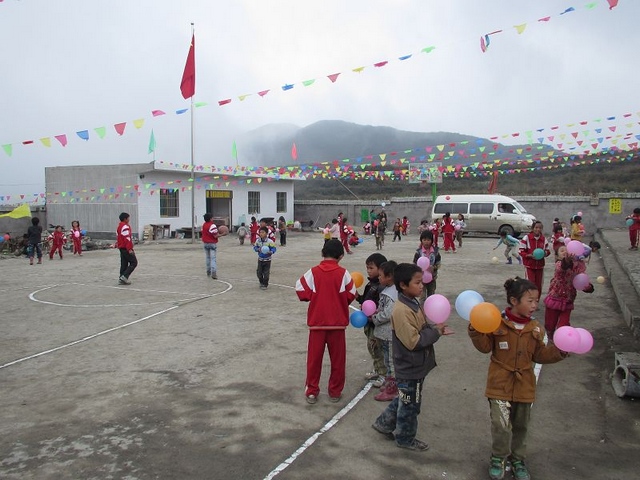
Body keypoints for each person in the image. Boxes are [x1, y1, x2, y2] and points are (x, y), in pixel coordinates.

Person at [468, 277, 567, 480]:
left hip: (524, 387)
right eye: (529, 301)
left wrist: (559, 352)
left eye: (536, 301)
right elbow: (484, 347)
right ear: (514, 301)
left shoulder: (536, 328)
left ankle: (518, 459)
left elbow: (540, 355)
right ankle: (498, 457)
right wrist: (476, 330)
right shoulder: (496, 322)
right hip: (499, 384)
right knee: (500, 424)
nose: (534, 305)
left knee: (521, 426)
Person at [371, 263, 449, 451]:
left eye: (422, 282)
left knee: (406, 397)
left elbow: (420, 328)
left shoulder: (413, 303)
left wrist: (433, 329)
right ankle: (405, 438)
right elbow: (413, 341)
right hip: (409, 366)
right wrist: (435, 333)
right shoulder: (402, 310)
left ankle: (384, 423)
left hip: (416, 364)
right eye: (417, 282)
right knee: (411, 405)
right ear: (403, 285)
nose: (422, 286)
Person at [295, 239, 356, 404]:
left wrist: (313, 297)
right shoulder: (343, 273)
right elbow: (351, 293)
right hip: (337, 324)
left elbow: (300, 289)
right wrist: (340, 301)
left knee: (314, 360)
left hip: (317, 323)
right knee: (338, 360)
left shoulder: (313, 272)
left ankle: (312, 391)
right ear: (341, 256)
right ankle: (335, 391)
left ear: (322, 253)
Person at [544, 245, 594, 337]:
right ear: (557, 256)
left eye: (566, 250)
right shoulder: (559, 264)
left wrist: (588, 287)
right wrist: (567, 260)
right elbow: (562, 267)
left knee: (564, 325)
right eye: (562, 251)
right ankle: (549, 338)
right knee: (550, 325)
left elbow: (581, 280)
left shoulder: (577, 267)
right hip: (555, 299)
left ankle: (562, 342)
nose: (565, 252)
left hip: (568, 301)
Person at [358, 253, 388, 387]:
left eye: (371, 268)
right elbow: (365, 302)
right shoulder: (370, 284)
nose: (368, 271)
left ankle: (383, 375)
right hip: (369, 323)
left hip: (376, 324)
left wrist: (373, 315)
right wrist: (357, 297)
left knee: (377, 349)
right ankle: (378, 370)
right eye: (367, 268)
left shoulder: (382, 287)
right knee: (372, 347)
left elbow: (381, 306)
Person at [371, 260, 399, 402]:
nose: (379, 278)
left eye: (381, 275)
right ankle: (389, 384)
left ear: (389, 277)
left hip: (389, 334)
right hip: (385, 334)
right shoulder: (389, 291)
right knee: (388, 361)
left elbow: (388, 313)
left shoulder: (392, 294)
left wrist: (375, 317)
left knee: (390, 362)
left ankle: (392, 389)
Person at [520, 221, 550, 301]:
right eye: (536, 227)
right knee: (530, 284)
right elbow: (521, 251)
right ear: (532, 228)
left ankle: (536, 301)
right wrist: (528, 255)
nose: (538, 229)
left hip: (540, 266)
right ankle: (529, 301)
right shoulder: (526, 238)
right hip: (529, 266)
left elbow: (548, 251)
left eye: (540, 228)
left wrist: (544, 253)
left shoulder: (543, 239)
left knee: (538, 285)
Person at [412, 230, 441, 302]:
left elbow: (438, 263)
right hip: (421, 278)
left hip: (432, 278)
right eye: (424, 240)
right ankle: (422, 309)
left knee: (431, 296)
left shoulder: (435, 252)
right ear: (421, 240)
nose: (426, 242)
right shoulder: (418, 252)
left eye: (428, 240)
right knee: (422, 297)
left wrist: (433, 267)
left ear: (431, 241)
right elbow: (414, 264)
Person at [116, 212, 137, 285]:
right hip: (125, 247)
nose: (129, 219)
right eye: (128, 218)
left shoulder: (119, 227)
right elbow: (127, 238)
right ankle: (124, 277)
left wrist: (117, 245)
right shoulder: (125, 227)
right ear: (125, 219)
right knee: (134, 262)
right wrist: (129, 249)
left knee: (124, 263)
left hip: (121, 247)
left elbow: (119, 238)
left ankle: (121, 278)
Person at [201, 213, 219, 279]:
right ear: (210, 218)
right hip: (212, 243)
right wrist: (223, 234)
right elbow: (215, 235)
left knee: (208, 258)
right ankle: (213, 273)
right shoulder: (212, 225)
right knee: (213, 259)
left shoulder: (204, 225)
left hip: (205, 243)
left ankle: (208, 271)